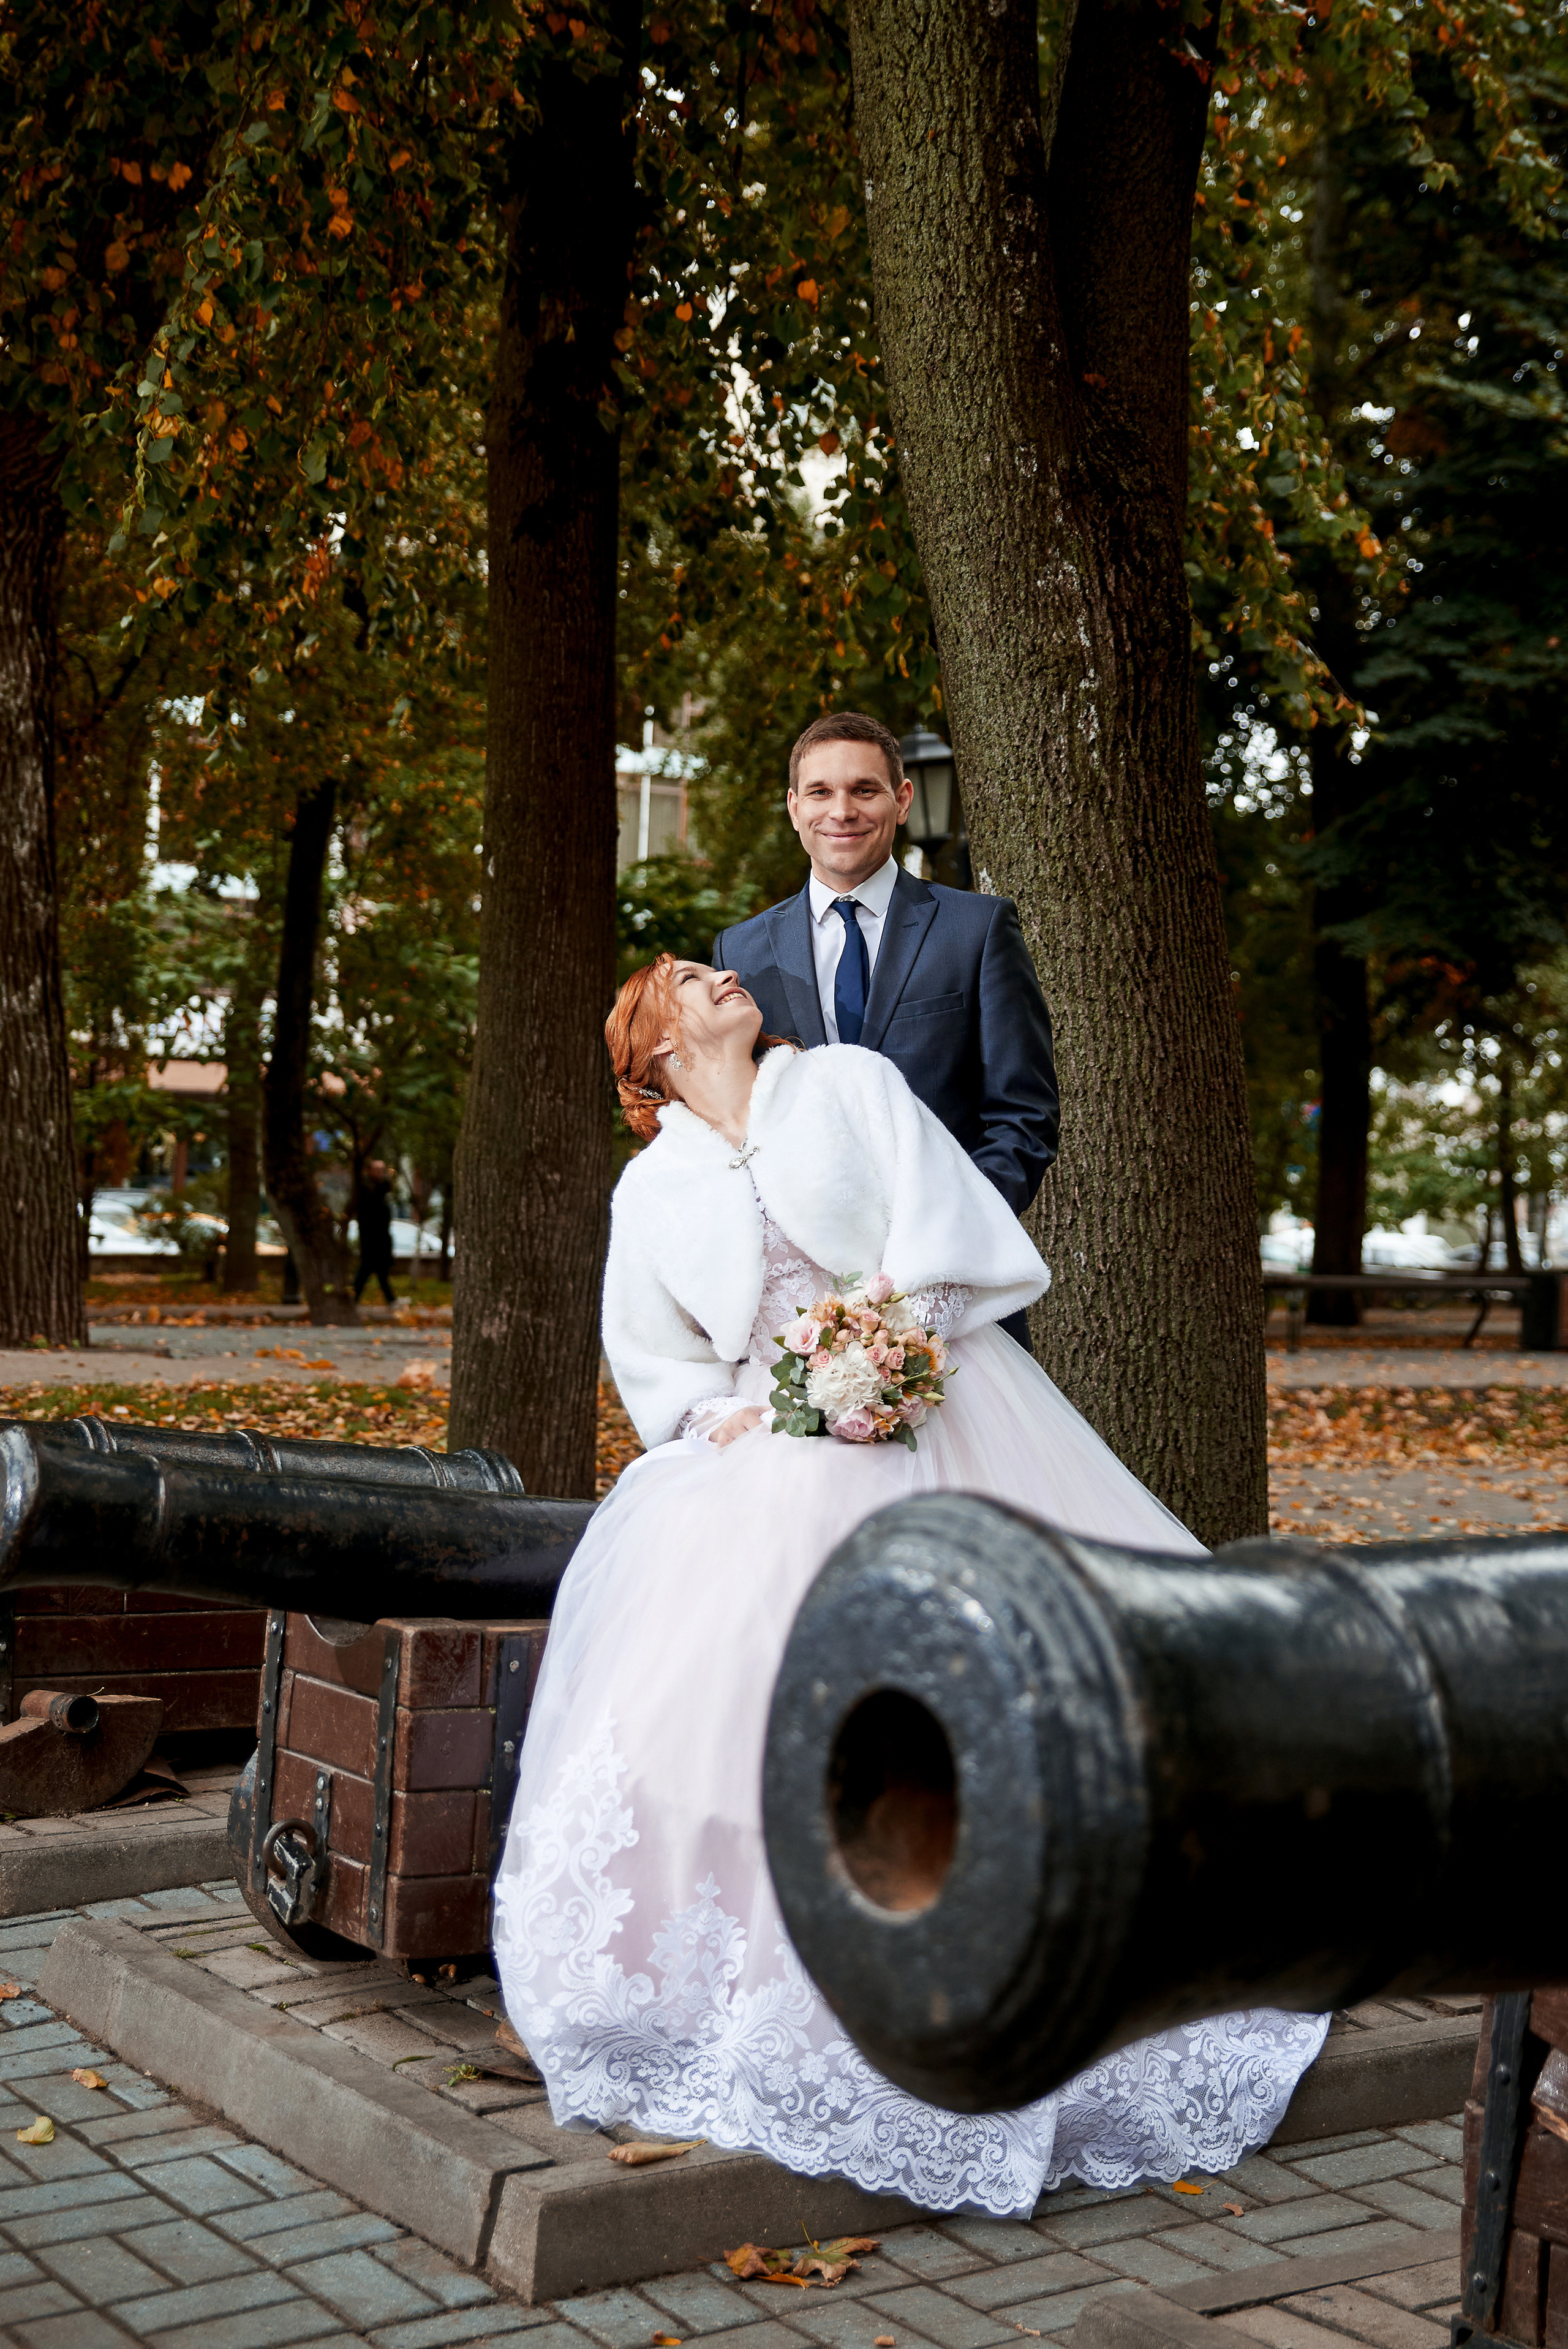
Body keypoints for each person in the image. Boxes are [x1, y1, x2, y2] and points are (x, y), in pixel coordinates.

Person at [490, 958, 1327, 2218]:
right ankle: (766, 1984)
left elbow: (946, 1229)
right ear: (649, 1051)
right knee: (720, 1708)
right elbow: (653, 1352)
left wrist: (883, 1345)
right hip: (765, 1458)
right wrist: (722, 1411)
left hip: (944, 1404)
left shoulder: (847, 1083)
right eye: (682, 978)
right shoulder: (649, 1181)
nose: (721, 973)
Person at [714, 710, 1057, 1352]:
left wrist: (942, 1259)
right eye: (820, 792)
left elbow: (1022, 1115)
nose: (840, 810)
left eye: (864, 790)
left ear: (900, 801)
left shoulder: (975, 933)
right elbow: (733, 1124)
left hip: (957, 1298)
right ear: (793, 808)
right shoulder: (742, 951)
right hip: (802, 1313)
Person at [351, 1159, 395, 1306]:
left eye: (382, 1169)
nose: (380, 1173)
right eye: (377, 1169)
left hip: (381, 1237)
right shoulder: (367, 1189)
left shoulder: (384, 1190)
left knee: (379, 1271)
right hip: (371, 1238)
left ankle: (390, 1299)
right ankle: (354, 1296)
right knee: (368, 1269)